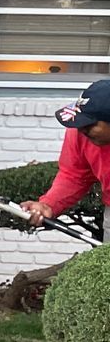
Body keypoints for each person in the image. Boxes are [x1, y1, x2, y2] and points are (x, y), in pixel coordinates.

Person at [21, 78, 110, 232]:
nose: (81, 130)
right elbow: (74, 175)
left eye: (90, 125)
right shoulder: (79, 133)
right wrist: (48, 204)